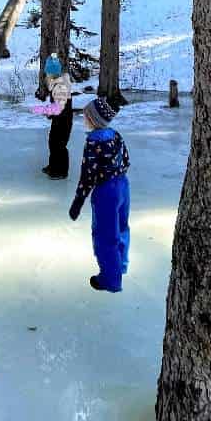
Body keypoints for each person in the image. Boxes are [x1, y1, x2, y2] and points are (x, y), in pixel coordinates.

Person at [68, 96, 130, 292]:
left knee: (105, 235)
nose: (84, 119)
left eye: (86, 116)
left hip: (106, 192)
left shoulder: (94, 142)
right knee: (121, 228)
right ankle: (120, 265)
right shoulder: (116, 135)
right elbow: (126, 160)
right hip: (122, 186)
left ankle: (110, 279)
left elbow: (88, 174)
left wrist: (78, 201)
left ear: (94, 120)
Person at [42, 53, 73, 179]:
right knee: (53, 143)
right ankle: (53, 166)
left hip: (63, 121)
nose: (46, 76)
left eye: (47, 74)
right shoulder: (57, 83)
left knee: (59, 145)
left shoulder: (60, 86)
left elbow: (60, 106)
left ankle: (61, 171)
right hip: (59, 120)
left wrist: (50, 112)